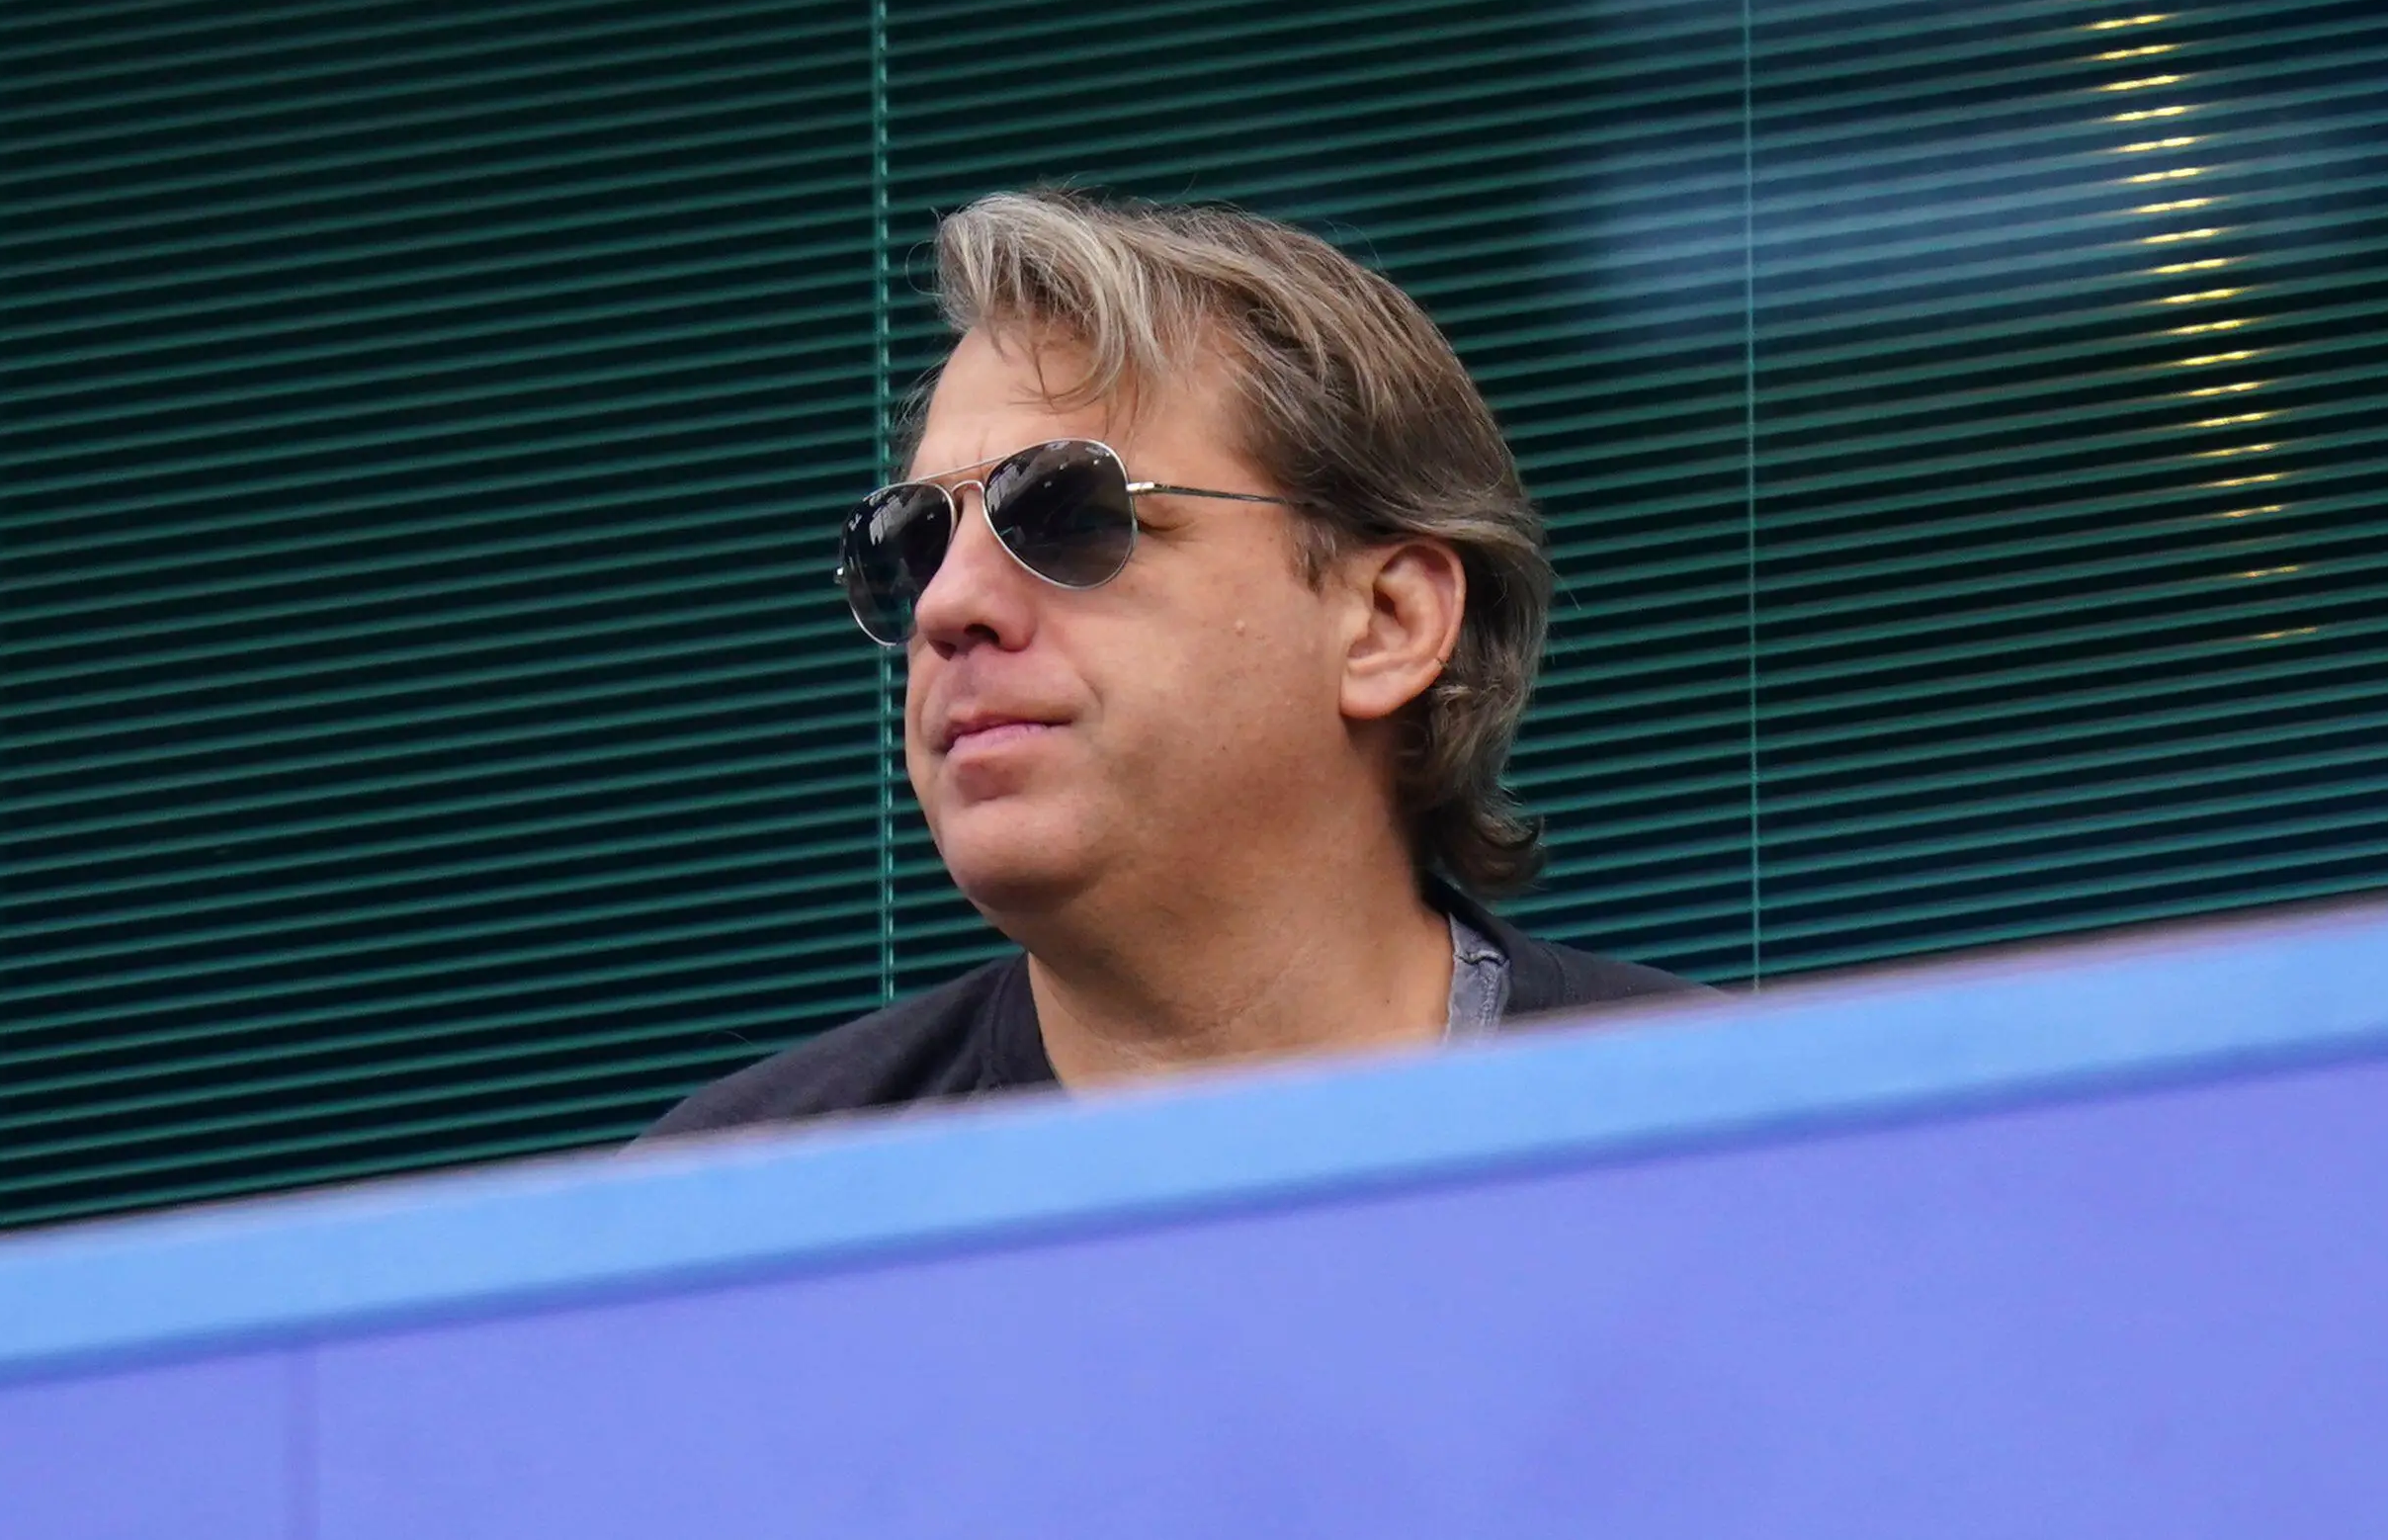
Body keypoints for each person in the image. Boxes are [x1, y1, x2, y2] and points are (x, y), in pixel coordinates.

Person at [642, 189, 1700, 1139]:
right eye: (912, 542)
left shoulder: (1728, 1148)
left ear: (1387, 621)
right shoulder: (742, 1213)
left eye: (1064, 513)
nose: (950, 604)